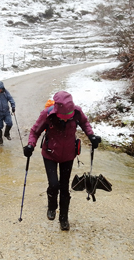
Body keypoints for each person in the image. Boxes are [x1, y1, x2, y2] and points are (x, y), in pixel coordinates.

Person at [23, 91, 101, 231]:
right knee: (54, 185)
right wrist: (30, 145)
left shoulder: (77, 113)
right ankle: (52, 206)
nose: (65, 120)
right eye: (63, 118)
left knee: (64, 187)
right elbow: (35, 131)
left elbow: (85, 123)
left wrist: (91, 136)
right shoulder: (47, 114)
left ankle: (64, 218)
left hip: (68, 156)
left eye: (68, 118)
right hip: (50, 155)